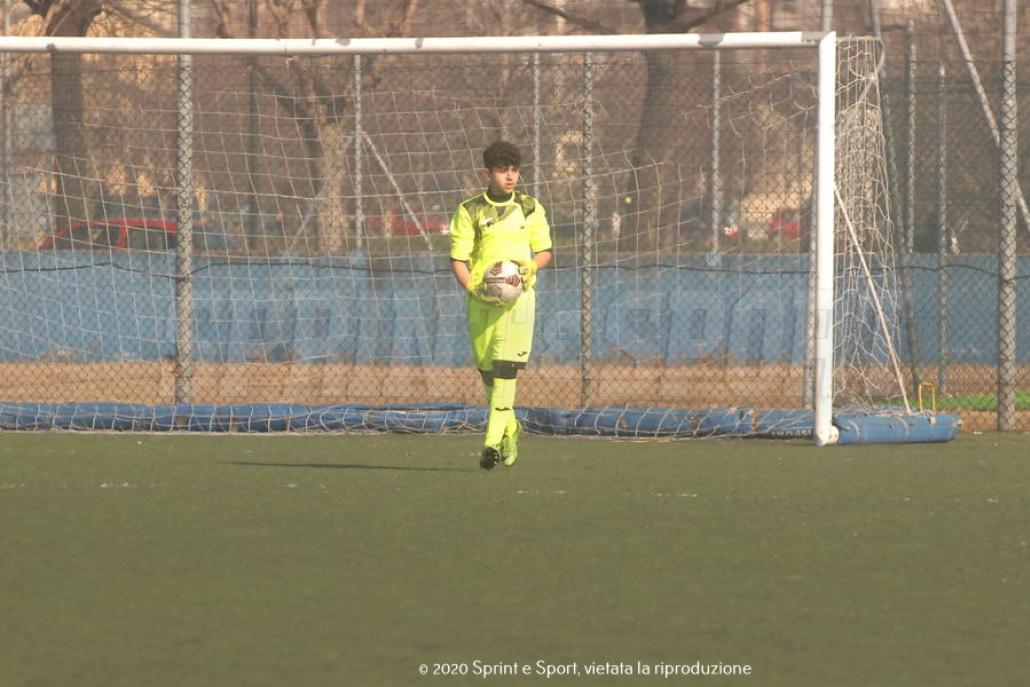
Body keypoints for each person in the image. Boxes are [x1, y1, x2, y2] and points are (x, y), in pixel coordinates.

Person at [449, 140, 552, 470]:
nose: (510, 177)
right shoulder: (469, 211)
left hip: (519, 302)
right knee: (490, 377)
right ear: (487, 173)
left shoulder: (530, 207)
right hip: (481, 304)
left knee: (507, 372)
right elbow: (458, 259)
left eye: (514, 170)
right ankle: (511, 428)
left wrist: (532, 266)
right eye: (502, 170)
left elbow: (545, 251)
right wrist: (473, 287)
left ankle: (491, 443)